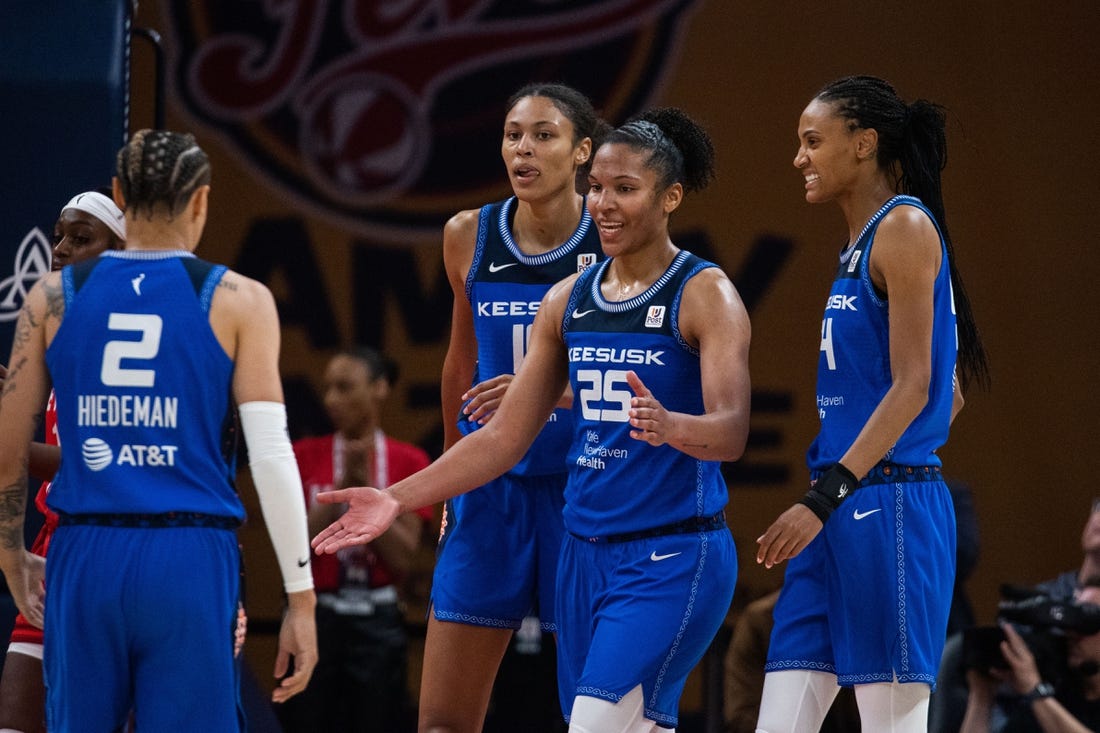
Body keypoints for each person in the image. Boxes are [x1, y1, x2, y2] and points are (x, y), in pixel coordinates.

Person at [314, 107, 752, 732]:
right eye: (599, 188)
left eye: (624, 189)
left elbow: (732, 431)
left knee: (596, 722)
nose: (603, 203)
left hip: (671, 550)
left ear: (670, 197)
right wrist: (394, 498)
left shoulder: (705, 291)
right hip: (585, 548)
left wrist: (671, 424)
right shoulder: (567, 299)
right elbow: (499, 437)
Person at [0, 129, 318, 731]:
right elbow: (273, 455)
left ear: (120, 192)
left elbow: (7, 450)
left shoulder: (48, 299)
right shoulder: (239, 298)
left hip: (84, 553)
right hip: (189, 554)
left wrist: (10, 558)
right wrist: (299, 599)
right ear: (200, 201)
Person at [754, 75, 990, 732]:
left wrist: (838, 488)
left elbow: (919, 386)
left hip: (885, 508)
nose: (799, 157)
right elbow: (952, 392)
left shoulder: (905, 226)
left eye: (812, 141)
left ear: (863, 144)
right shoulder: (857, 246)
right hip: (841, 505)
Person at [422, 82, 607, 733]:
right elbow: (458, 365)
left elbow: (651, 370)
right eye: (512, 134)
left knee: (597, 715)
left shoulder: (615, 238)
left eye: (543, 135)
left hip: (583, 483)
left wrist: (545, 388)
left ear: (584, 150)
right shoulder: (466, 235)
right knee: (444, 719)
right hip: (492, 488)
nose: (522, 149)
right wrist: (450, 479)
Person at [0, 190, 125, 733]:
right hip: (55, 547)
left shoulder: (124, 338)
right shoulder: (56, 336)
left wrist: (12, 447)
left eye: (81, 239)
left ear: (119, 252)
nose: (60, 249)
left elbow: (99, 462)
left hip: (116, 551)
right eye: (59, 236)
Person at [277, 346, 433, 732]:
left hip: (378, 620)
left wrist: (366, 494)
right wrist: (340, 493)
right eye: (328, 388)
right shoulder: (300, 455)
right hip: (316, 613)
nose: (331, 399)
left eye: (345, 387)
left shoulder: (409, 462)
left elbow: (402, 558)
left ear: (379, 388)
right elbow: (291, 546)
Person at [960, 579, 1100, 732]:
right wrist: (982, 697)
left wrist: (1035, 691)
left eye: (1087, 620)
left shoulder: (1041, 697)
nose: (1073, 632)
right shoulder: (1062, 693)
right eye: (1072, 616)